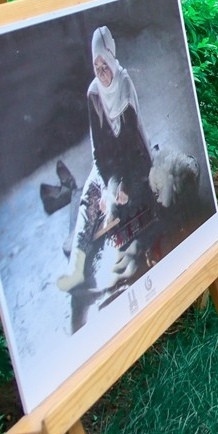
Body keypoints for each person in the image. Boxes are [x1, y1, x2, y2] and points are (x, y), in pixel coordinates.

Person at [56, 25, 156, 293]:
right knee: (89, 198)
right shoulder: (93, 93)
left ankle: (133, 258)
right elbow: (98, 150)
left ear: (112, 59)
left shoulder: (124, 86)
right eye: (96, 66)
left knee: (134, 201)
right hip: (109, 165)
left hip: (135, 163)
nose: (101, 72)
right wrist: (104, 185)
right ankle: (76, 269)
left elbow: (135, 146)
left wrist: (123, 185)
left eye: (105, 65)